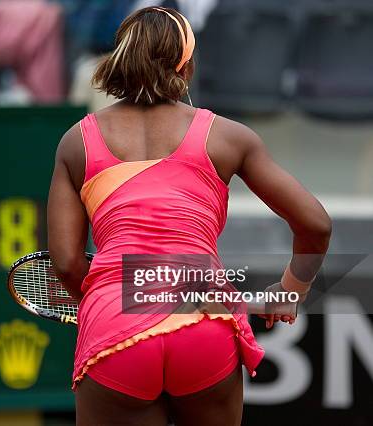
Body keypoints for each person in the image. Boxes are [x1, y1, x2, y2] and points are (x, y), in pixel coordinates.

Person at [47, 7, 331, 426]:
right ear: (186, 64)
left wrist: (100, 307)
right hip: (204, 319)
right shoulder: (230, 137)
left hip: (115, 324)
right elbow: (316, 224)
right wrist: (289, 291)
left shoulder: (76, 142)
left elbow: (67, 262)